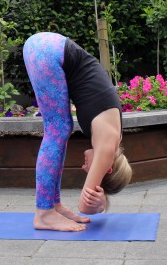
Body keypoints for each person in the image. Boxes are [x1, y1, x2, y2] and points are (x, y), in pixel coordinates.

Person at [23, 32, 133, 232]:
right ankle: (44, 213)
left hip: (46, 47)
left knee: (61, 127)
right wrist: (98, 204)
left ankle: (53, 205)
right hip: (47, 51)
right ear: (107, 168)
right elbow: (84, 207)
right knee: (57, 129)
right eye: (91, 170)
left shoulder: (112, 135)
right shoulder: (107, 148)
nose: (84, 167)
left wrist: (99, 199)